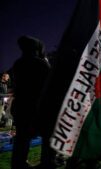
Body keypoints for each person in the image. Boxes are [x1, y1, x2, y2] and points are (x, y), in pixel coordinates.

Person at [11, 36, 52, 169]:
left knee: (22, 139)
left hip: (21, 107)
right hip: (37, 107)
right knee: (48, 135)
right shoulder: (40, 63)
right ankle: (47, 162)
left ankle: (19, 163)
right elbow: (50, 84)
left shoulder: (18, 63)